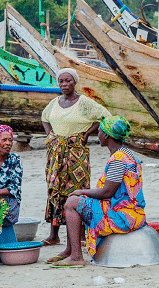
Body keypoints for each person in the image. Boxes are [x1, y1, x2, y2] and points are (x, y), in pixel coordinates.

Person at [47, 115, 146, 268]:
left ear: (106, 135)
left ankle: (76, 256)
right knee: (77, 200)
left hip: (122, 215)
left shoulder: (119, 159)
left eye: (99, 131)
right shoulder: (126, 153)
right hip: (131, 211)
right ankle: (70, 250)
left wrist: (81, 192)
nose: (97, 134)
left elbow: (107, 192)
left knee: (72, 202)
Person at [41, 68, 111, 246]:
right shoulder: (55, 102)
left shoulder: (84, 102)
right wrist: (50, 136)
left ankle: (79, 235)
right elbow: (44, 118)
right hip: (55, 152)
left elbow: (105, 117)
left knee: (77, 190)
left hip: (76, 152)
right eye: (61, 81)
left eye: (68, 81)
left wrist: (87, 134)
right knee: (54, 190)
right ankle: (54, 235)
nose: (64, 84)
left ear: (75, 82)